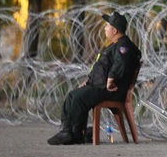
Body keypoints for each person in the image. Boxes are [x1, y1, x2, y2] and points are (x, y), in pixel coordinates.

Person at [47, 11, 141, 145]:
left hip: (113, 90)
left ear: (114, 30)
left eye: (107, 26)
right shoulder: (115, 45)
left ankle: (77, 134)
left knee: (80, 98)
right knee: (72, 96)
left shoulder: (124, 46)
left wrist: (111, 80)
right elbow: (102, 68)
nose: (105, 28)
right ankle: (67, 131)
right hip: (102, 87)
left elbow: (122, 64)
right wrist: (89, 81)